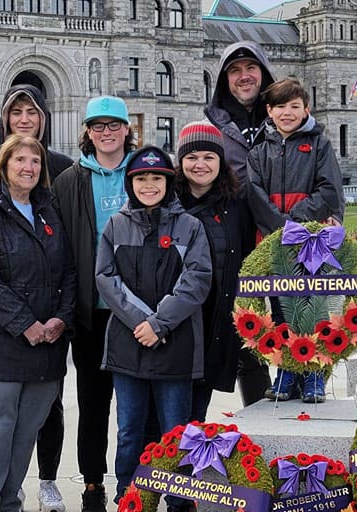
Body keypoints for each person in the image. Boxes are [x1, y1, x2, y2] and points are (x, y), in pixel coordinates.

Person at [0, 134, 76, 512]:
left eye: (35, 161)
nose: (29, 167)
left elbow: (69, 270)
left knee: (25, 433)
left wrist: (61, 317)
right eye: (20, 159)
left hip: (44, 349)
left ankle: (8, 502)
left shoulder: (47, 209)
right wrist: (24, 323)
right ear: (3, 165)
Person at [95, 145, 211, 504]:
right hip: (128, 345)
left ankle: (178, 500)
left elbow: (197, 280)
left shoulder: (190, 227)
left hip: (175, 346)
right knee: (129, 430)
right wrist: (141, 321)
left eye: (156, 177)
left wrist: (160, 323)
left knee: (175, 431)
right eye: (141, 178)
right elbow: (105, 278)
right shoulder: (116, 224)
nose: (149, 185)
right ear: (131, 184)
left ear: (168, 182)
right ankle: (129, 497)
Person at [51, 95, 135, 512]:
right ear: (87, 132)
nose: (106, 132)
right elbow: (60, 246)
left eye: (113, 125)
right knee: (93, 403)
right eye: (98, 126)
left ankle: (136, 480)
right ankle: (91, 483)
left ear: (126, 129)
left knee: (136, 405)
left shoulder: (146, 171)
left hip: (137, 315)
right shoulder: (69, 180)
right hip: (91, 313)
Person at [246, 77, 345, 404]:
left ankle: (314, 374)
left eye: (294, 106)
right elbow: (254, 194)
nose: (287, 113)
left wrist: (296, 221)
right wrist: (280, 226)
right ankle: (287, 372)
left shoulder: (320, 146)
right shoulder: (260, 151)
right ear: (269, 111)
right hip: (274, 245)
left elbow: (329, 190)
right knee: (280, 312)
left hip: (310, 244)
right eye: (280, 107)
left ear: (306, 110)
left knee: (311, 309)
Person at [204, 41, 275, 406]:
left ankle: (301, 403)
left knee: (296, 325)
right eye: (234, 70)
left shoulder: (285, 116)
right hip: (233, 239)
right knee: (248, 331)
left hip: (282, 237)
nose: (243, 76)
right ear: (224, 79)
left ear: (263, 72)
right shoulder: (212, 126)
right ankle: (262, 414)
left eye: (250, 68)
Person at [174, 121, 250, 421]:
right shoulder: (167, 202)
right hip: (174, 326)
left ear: (221, 161)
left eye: (209, 157)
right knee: (164, 419)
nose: (200, 164)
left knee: (195, 415)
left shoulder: (236, 206)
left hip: (214, 326)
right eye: (192, 157)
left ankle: (186, 468)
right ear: (180, 162)